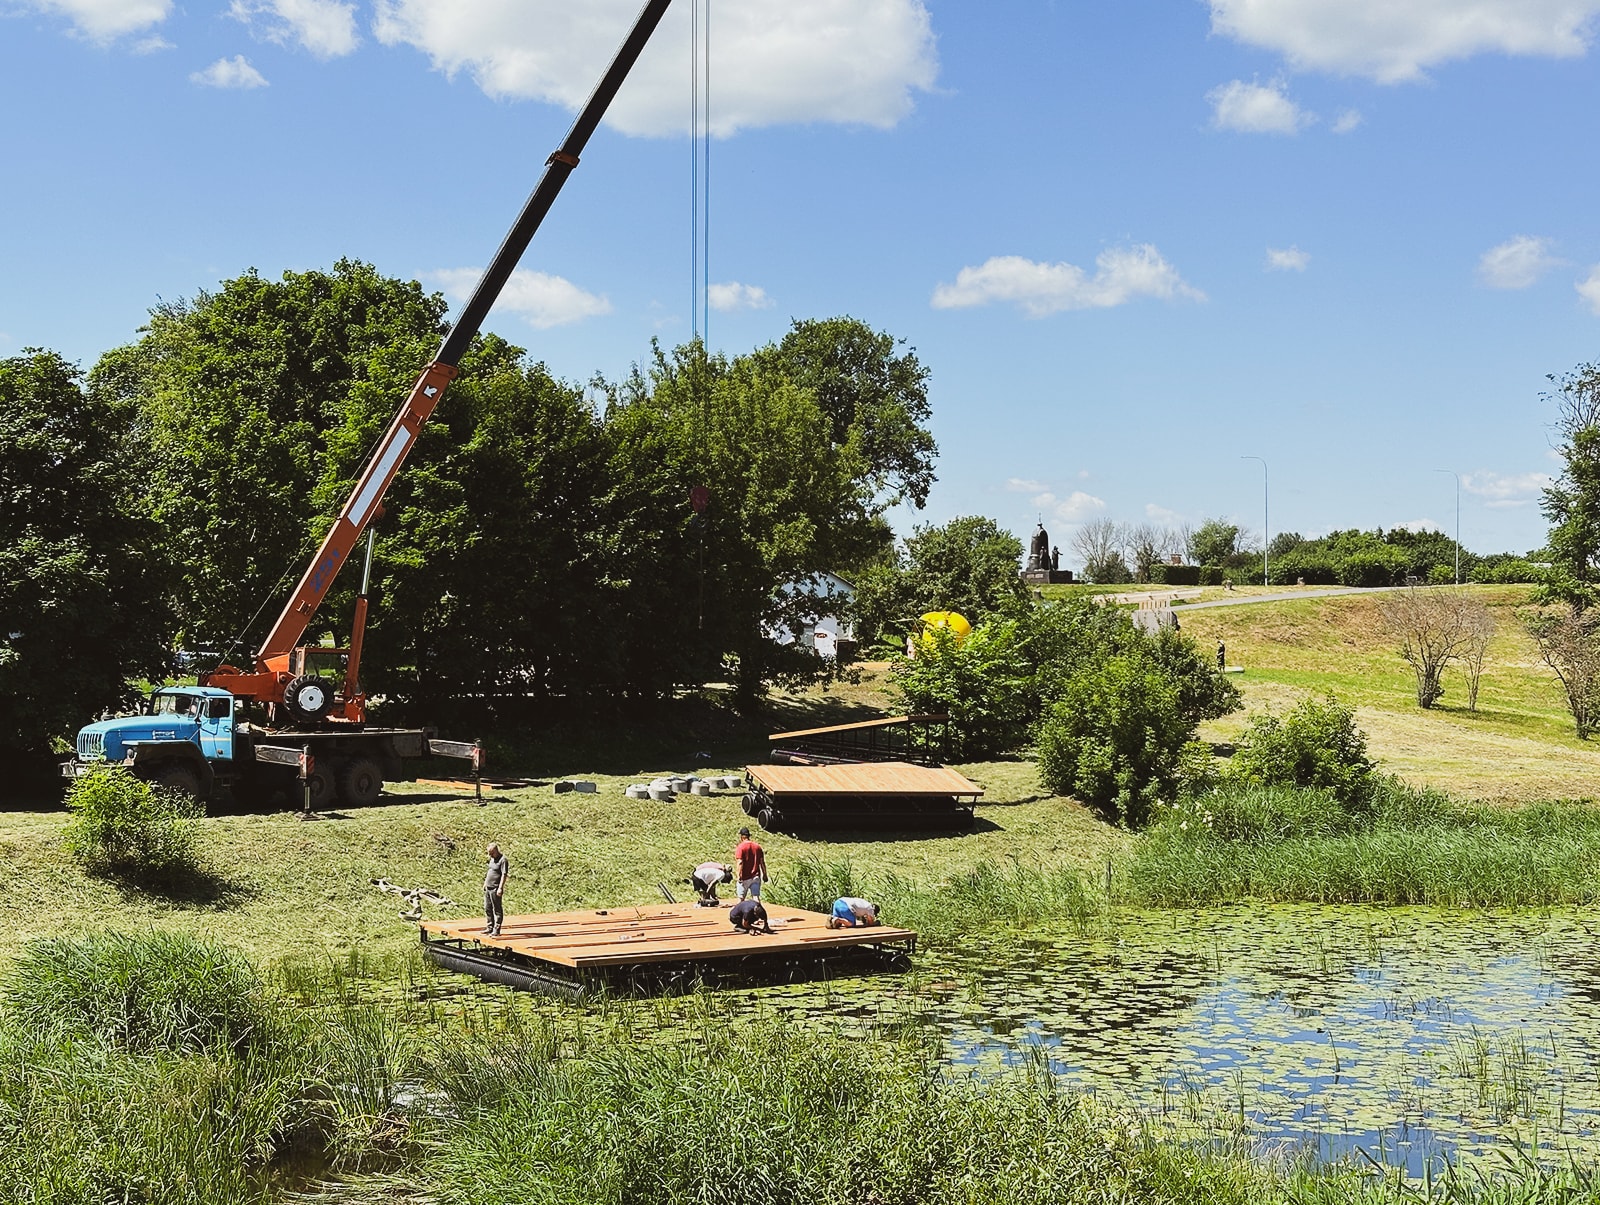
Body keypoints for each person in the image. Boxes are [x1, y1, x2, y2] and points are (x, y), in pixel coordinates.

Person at [734, 826, 768, 899]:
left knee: (741, 898)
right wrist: (765, 874)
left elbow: (740, 862)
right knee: (756, 897)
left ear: (742, 837)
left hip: (744, 877)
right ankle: (758, 910)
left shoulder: (740, 847)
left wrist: (738, 875)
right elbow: (762, 863)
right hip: (755, 876)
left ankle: (741, 910)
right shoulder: (757, 847)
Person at [483, 842, 509, 937]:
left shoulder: (503, 860)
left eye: (491, 853)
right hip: (488, 887)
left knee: (497, 909)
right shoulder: (492, 859)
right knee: (487, 907)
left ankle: (497, 929)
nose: (490, 855)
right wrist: (485, 882)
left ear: (496, 851)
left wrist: (500, 888)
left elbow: (504, 874)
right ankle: (490, 926)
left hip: (495, 888)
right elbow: (490, 871)